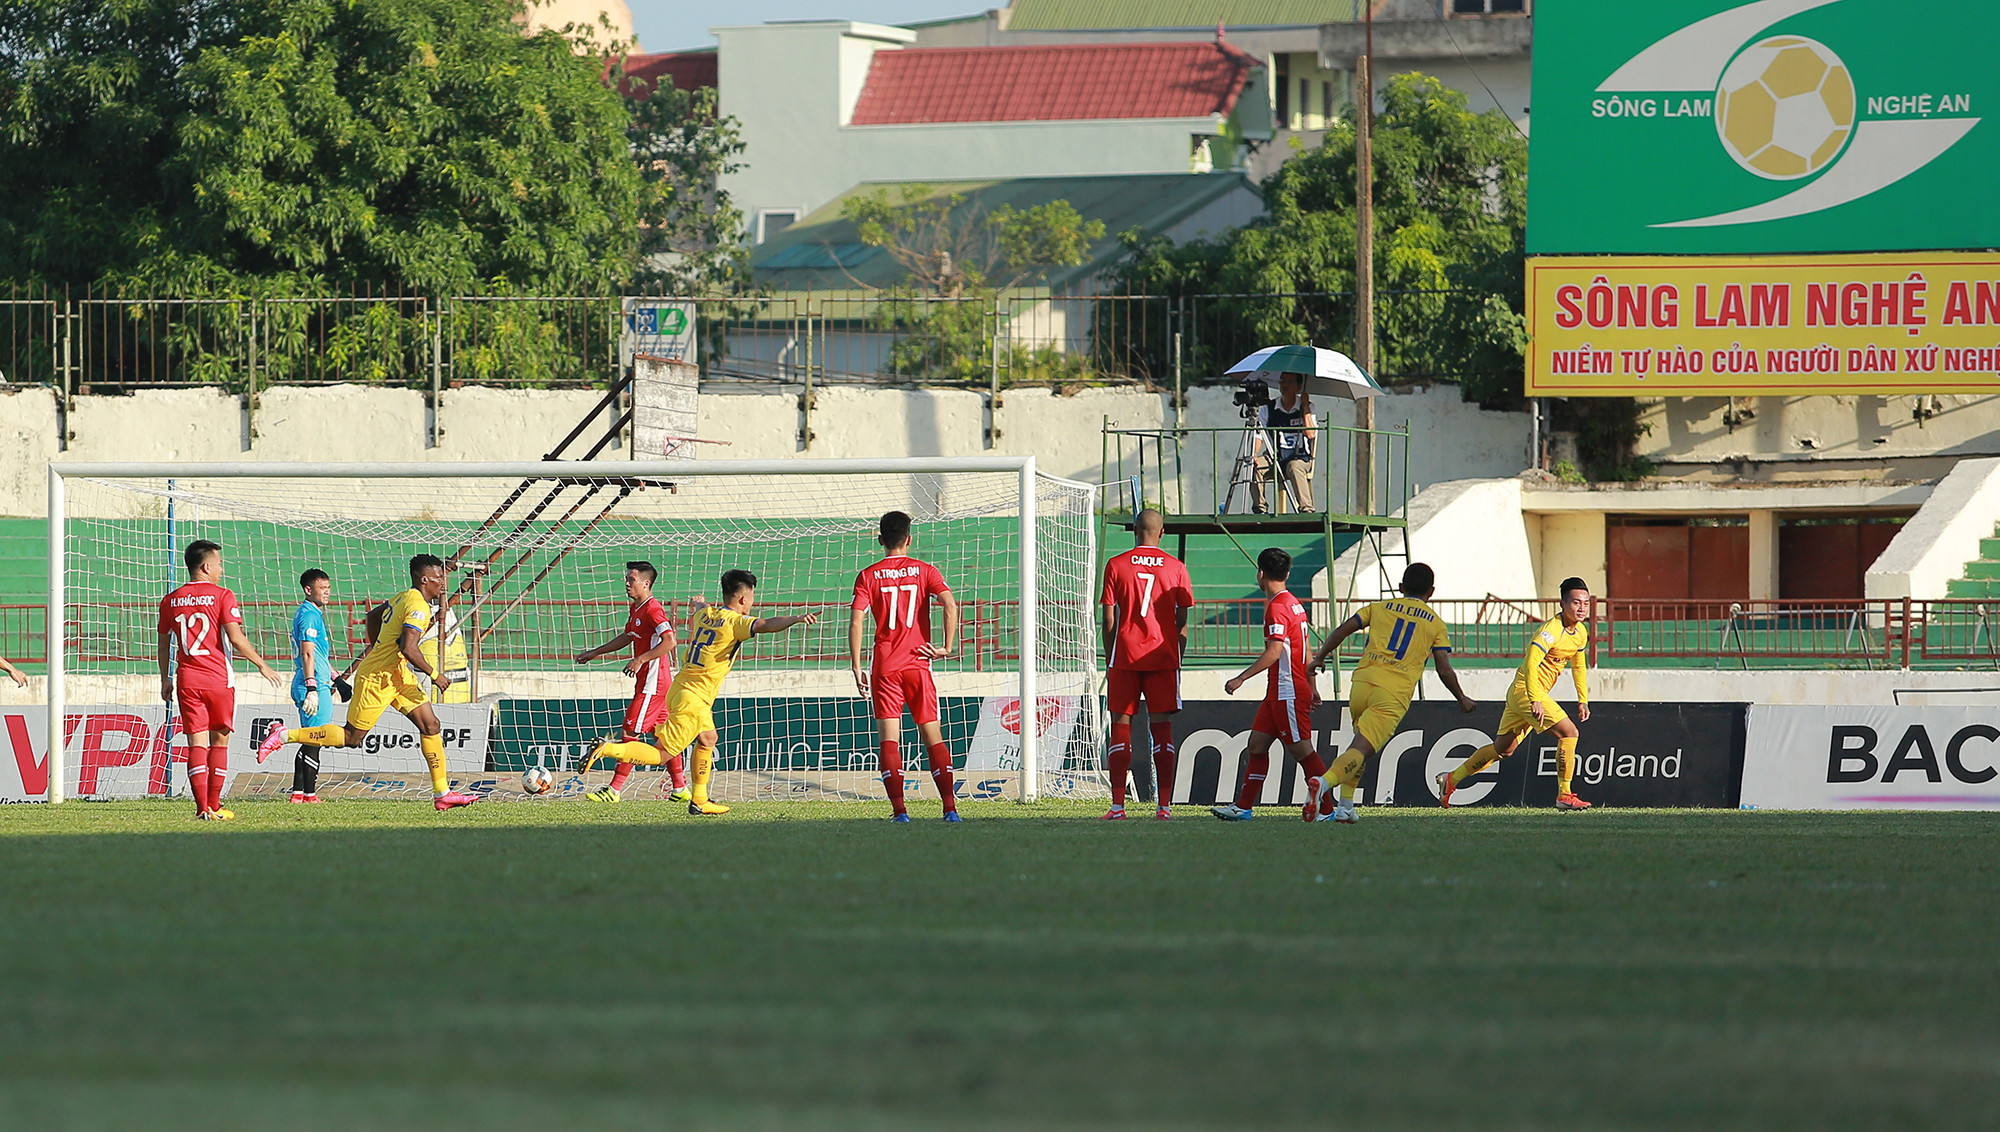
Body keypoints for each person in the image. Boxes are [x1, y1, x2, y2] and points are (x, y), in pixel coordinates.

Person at [579, 569, 819, 816]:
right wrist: (797, 618)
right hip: (694, 698)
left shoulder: (706, 614)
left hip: (681, 689)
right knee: (661, 754)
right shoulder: (736, 622)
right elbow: (766, 624)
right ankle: (606, 749)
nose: (753, 603)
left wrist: (698, 602)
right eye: (753, 597)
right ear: (744, 599)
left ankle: (700, 800)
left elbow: (701, 607)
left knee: (708, 739)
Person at [256, 554, 482, 811]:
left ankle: (442, 793)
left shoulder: (403, 596)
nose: (443, 582)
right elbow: (409, 648)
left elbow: (374, 615)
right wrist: (434, 674)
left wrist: (378, 645)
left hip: (398, 675)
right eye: (439, 577)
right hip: (377, 678)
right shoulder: (417, 606)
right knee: (352, 738)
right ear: (424, 579)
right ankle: (283, 735)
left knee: (431, 725)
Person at [1305, 563, 1477, 824]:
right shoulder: (1436, 624)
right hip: (1392, 692)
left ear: (1400, 587)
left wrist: (1319, 657)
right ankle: (1323, 783)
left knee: (1358, 744)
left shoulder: (1378, 607)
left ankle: (1346, 807)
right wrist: (1461, 697)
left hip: (1362, 683)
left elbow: (1341, 630)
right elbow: (1443, 668)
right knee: (1361, 749)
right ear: (1431, 591)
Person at [1438, 577, 1595, 811]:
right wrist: (1534, 700)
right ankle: (1564, 795)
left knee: (1504, 749)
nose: (1581, 608)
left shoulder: (1580, 632)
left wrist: (1583, 699)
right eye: (1575, 603)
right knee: (1569, 733)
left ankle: (1451, 779)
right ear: (1562, 604)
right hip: (1527, 692)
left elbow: (1579, 664)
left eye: (1585, 603)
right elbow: (1531, 664)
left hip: (1519, 694)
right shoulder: (1550, 631)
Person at [849, 511, 963, 823]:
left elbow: (857, 619)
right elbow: (950, 604)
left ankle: (900, 812)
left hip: (885, 665)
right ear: (909, 539)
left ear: (880, 540)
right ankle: (950, 810)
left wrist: (857, 664)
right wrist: (947, 647)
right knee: (933, 736)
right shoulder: (925, 570)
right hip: (918, 662)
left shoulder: (868, 575)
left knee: (889, 739)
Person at [159, 540, 281, 820]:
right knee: (220, 742)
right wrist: (262, 664)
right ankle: (214, 805)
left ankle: (202, 808)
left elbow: (164, 645)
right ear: (206, 566)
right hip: (218, 680)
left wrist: (165, 679)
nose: (222, 570)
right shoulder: (222, 595)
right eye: (220, 564)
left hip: (187, 680)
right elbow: (235, 637)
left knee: (196, 744)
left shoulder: (171, 600)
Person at [1211, 548, 1329, 821]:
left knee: (1303, 752)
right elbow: (1307, 650)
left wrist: (1241, 678)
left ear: (1260, 574)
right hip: (1280, 691)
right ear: (1286, 574)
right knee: (1257, 745)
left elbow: (1275, 652)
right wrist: (1311, 687)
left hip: (1287, 691)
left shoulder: (1276, 607)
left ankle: (1327, 810)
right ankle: (1243, 807)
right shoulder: (1294, 604)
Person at [1099, 508, 1193, 820]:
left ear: (1134, 530)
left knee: (1121, 726)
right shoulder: (1176, 567)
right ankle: (1164, 807)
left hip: (1124, 655)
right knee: (1162, 729)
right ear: (1161, 533)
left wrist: (1110, 653)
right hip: (1163, 656)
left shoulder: (1116, 564)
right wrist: (1175, 647)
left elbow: (1109, 618)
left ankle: (1117, 806)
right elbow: (1182, 617)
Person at [574, 560, 688, 804]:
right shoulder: (637, 608)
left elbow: (670, 642)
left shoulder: (653, 609)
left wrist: (640, 659)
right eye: (626, 579)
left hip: (654, 685)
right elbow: (629, 635)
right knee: (663, 738)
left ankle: (614, 790)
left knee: (629, 733)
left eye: (631, 580)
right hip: (651, 683)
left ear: (646, 584)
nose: (626, 583)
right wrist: (595, 652)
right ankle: (680, 788)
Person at [287, 568, 360, 803]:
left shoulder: (312, 613)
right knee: (315, 741)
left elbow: (318, 655)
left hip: (318, 682)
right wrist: (311, 689)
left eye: (328, 588)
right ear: (308, 590)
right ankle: (309, 794)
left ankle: (298, 793)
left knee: (311, 740)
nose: (327, 593)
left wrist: (337, 679)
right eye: (322, 589)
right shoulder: (309, 615)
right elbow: (307, 654)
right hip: (313, 685)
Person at [1251, 372, 1315, 515]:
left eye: (1289, 382)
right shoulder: (1268, 408)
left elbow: (1311, 434)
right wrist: (1254, 454)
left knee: (1294, 466)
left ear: (1298, 387)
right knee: (1253, 466)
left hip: (1299, 456)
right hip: (1274, 456)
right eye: (1282, 381)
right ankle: (1260, 508)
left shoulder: (1307, 407)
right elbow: (1259, 435)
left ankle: (1306, 508)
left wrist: (1305, 406)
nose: (1284, 385)